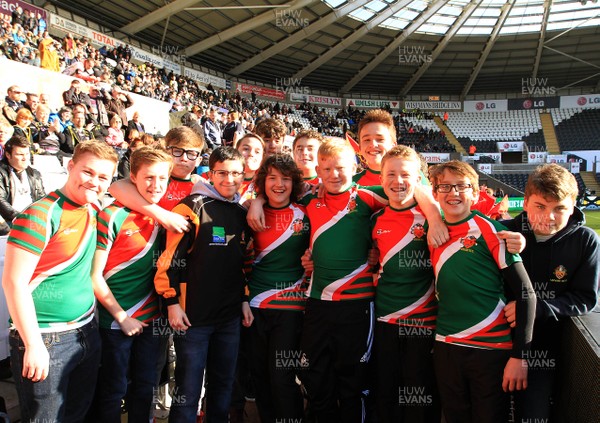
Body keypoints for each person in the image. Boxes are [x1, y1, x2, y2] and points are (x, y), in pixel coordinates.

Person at [2, 141, 118, 422]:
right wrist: (33, 345)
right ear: (70, 166)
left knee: (77, 414)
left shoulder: (93, 207)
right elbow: (14, 282)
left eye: (103, 177)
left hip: (86, 331)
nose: (94, 182)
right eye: (87, 172)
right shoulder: (39, 215)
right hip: (46, 339)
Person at [428, 160, 536, 423]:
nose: (453, 193)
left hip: (491, 349)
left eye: (461, 186)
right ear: (435, 194)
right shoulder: (432, 231)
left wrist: (520, 357)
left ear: (475, 193)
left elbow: (527, 294)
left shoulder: (492, 231)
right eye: (445, 187)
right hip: (446, 345)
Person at [154, 147, 253, 423]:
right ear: (210, 174)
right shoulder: (191, 206)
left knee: (222, 387)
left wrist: (244, 299)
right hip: (193, 319)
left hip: (229, 318)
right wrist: (172, 303)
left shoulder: (240, 213)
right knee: (188, 389)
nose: (229, 179)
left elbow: (241, 263)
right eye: (222, 172)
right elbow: (168, 260)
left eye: (235, 173)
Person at [502, 163, 600, 422]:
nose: (550, 217)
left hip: (542, 350)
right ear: (525, 203)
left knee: (533, 414)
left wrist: (535, 308)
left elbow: (585, 298)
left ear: (573, 207)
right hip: (493, 341)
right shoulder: (503, 232)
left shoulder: (586, 241)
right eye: (540, 207)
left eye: (560, 209)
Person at [92, 147, 173, 423]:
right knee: (113, 390)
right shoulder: (111, 215)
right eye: (149, 177)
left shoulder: (166, 214)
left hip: (154, 319)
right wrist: (121, 317)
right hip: (115, 322)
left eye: (163, 178)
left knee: (147, 386)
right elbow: (94, 276)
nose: (156, 185)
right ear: (133, 178)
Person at [371, 145, 439, 423]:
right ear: (381, 178)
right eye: (391, 174)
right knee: (386, 393)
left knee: (419, 394)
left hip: (423, 322)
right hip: (385, 319)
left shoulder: (435, 217)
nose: (397, 181)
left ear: (419, 178)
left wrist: (515, 236)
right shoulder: (374, 219)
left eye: (405, 174)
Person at [247, 155, 310, 423]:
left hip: (289, 308)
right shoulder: (247, 213)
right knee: (259, 376)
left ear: (294, 183)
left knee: (281, 376)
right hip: (253, 308)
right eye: (272, 177)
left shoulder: (306, 213)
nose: (279, 184)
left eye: (285, 178)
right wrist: (256, 202)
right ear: (263, 181)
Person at [0, 136, 45, 225]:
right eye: (20, 155)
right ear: (8, 155)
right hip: (8, 222)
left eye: (27, 154)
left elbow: (42, 198)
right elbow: (0, 200)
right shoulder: (1, 172)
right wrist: (20, 217)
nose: (25, 158)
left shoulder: (34, 174)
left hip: (32, 220)